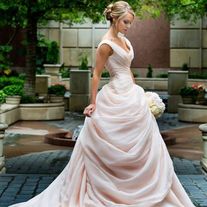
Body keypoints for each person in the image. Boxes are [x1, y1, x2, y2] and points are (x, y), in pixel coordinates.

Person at [10, 1, 196, 206]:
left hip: (131, 94)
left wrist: (140, 94)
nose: (128, 26)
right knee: (109, 142)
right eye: (125, 22)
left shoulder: (124, 40)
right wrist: (93, 103)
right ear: (115, 19)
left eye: (130, 23)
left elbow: (128, 69)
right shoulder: (106, 44)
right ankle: (112, 188)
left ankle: (139, 187)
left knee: (145, 143)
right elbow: (96, 75)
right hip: (114, 94)